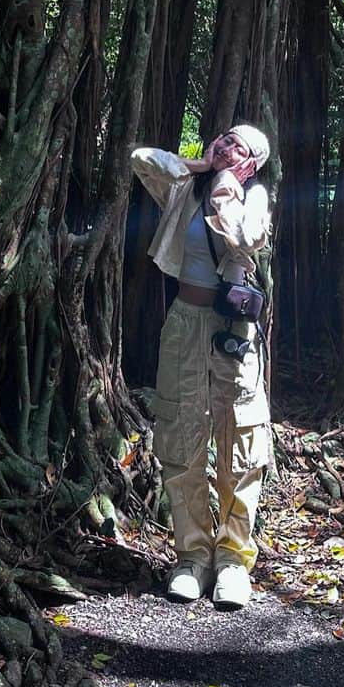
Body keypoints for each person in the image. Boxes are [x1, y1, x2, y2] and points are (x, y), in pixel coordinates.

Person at [130, 125, 272, 610]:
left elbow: (246, 238)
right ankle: (191, 557)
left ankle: (232, 561)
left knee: (241, 438)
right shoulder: (184, 189)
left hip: (233, 331)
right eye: (224, 138)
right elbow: (143, 157)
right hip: (184, 322)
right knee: (180, 433)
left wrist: (226, 189)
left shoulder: (253, 196)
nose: (226, 145)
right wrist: (200, 167)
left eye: (239, 146)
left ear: (252, 164)